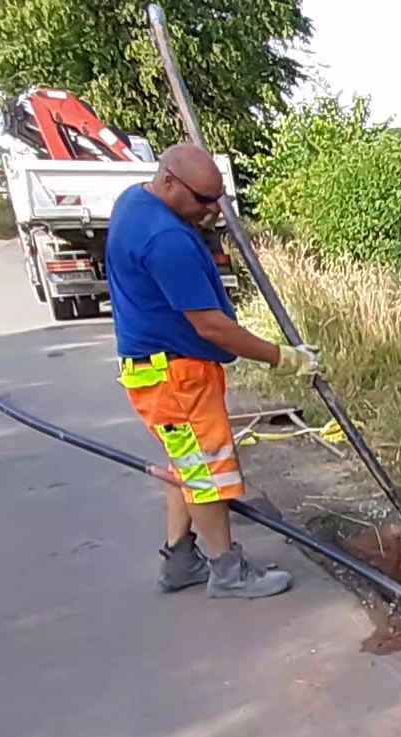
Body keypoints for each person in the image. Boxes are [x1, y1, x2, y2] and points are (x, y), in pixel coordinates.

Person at [107, 144, 323, 598]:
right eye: (204, 201)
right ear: (169, 182)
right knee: (207, 474)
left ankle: (180, 559)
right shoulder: (165, 240)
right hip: (175, 379)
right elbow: (212, 326)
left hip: (162, 372)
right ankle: (228, 571)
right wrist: (283, 357)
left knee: (187, 465)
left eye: (218, 199)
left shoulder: (134, 201)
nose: (212, 211)